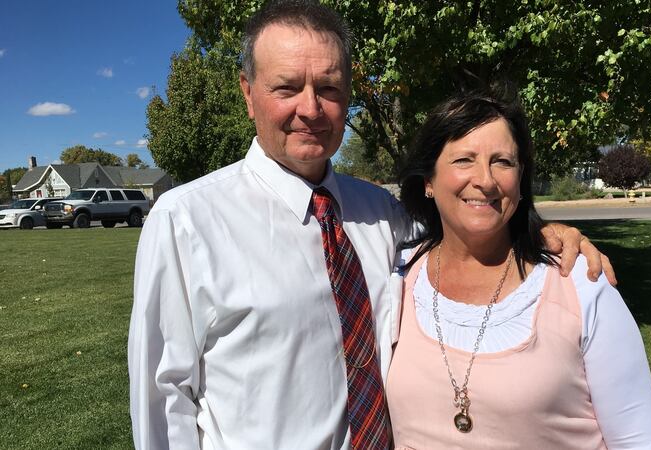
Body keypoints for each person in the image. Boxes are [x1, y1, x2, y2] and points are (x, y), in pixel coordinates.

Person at [128, 1, 613, 448]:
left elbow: (467, 232)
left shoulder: (382, 213)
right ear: (248, 92)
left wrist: (539, 232)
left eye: (329, 88)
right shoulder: (186, 221)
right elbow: (163, 397)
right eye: (286, 87)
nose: (310, 108)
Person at [386, 88, 651, 449]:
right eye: (463, 160)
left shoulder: (579, 284)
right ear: (428, 181)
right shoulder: (396, 278)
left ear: (520, 181)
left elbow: (640, 441)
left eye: (502, 161)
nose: (485, 180)